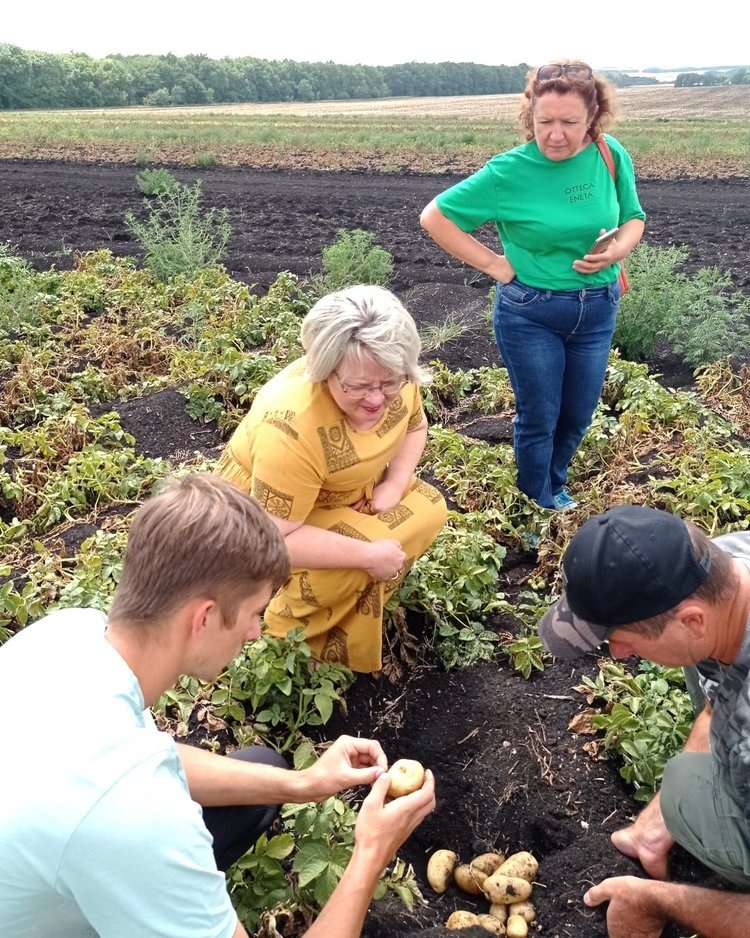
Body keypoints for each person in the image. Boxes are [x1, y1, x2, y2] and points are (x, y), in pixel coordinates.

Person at [0, 474, 436, 938]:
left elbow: (147, 758)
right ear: (204, 618)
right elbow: (120, 793)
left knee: (261, 772)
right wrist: (370, 853)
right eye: (253, 613)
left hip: (47, 864)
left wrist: (305, 784)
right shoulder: (134, 814)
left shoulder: (70, 633)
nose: (255, 632)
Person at [420, 61, 646, 511]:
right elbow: (435, 217)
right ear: (530, 117)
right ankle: (535, 503)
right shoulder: (508, 172)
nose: (557, 135)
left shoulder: (608, 153)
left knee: (578, 416)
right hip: (532, 313)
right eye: (545, 122)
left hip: (598, 310)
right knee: (540, 417)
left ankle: (552, 485)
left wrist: (617, 250)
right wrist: (497, 266)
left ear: (593, 118)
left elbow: (633, 218)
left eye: (570, 123)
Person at [537, 503, 750, 938]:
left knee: (686, 795)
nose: (617, 654)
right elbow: (724, 692)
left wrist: (656, 901)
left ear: (691, 621)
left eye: (621, 640)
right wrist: (655, 826)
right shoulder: (728, 568)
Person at [216, 284, 447, 673]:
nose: (376, 399)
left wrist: (392, 485)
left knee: (430, 507)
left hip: (344, 496)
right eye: (358, 387)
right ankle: (286, 637)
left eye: (389, 383)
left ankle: (347, 598)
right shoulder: (290, 427)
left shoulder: (397, 379)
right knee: (364, 554)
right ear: (325, 371)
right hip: (264, 519)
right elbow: (270, 539)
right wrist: (367, 555)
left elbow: (415, 426)